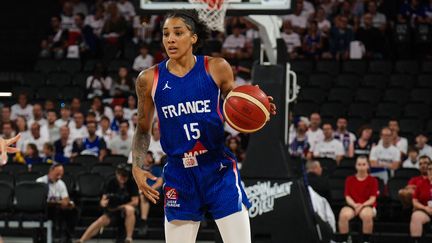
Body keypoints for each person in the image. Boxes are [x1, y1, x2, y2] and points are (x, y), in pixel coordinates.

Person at [131, 10, 276, 243]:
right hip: (179, 173)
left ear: (194, 38)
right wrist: (136, 166)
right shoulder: (148, 79)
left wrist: (258, 107)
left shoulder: (217, 67)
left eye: (178, 33)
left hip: (217, 169)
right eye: (166, 33)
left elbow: (237, 107)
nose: (170, 39)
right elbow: (142, 128)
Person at [76, 164, 139, 243]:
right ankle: (82, 240)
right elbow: (104, 198)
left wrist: (121, 206)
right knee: (101, 220)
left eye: (125, 175)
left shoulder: (132, 183)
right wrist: (103, 203)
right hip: (113, 210)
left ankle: (129, 238)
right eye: (120, 175)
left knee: (129, 209)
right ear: (116, 174)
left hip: (126, 212)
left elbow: (135, 201)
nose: (122, 177)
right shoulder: (111, 182)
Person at [337, 156, 378, 243]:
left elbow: (372, 198)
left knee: (366, 215)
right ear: (356, 166)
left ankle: (366, 241)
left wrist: (362, 205)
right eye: (359, 164)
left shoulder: (373, 180)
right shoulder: (349, 179)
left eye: (364, 164)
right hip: (353, 205)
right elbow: (347, 196)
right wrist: (355, 205)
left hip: (367, 205)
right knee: (343, 215)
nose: (361, 167)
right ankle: (344, 240)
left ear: (368, 166)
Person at [36, 163, 77, 243]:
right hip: (44, 208)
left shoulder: (61, 183)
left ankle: (67, 237)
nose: (59, 176)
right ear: (51, 171)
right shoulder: (40, 181)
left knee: (73, 211)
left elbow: (65, 199)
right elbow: (38, 199)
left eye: (61, 174)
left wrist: (65, 203)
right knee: (52, 211)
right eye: (57, 174)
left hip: (57, 207)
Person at [138, 151, 163, 232]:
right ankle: (143, 222)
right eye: (146, 156)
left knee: (144, 195)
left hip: (156, 193)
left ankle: (143, 222)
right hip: (142, 193)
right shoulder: (139, 170)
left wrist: (149, 190)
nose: (148, 158)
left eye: (149, 156)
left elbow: (159, 182)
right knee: (143, 195)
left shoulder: (157, 169)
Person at [409, 159, 432, 243]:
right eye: (429, 169)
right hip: (425, 210)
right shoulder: (421, 183)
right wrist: (425, 208)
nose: (431, 171)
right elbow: (414, 201)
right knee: (416, 216)